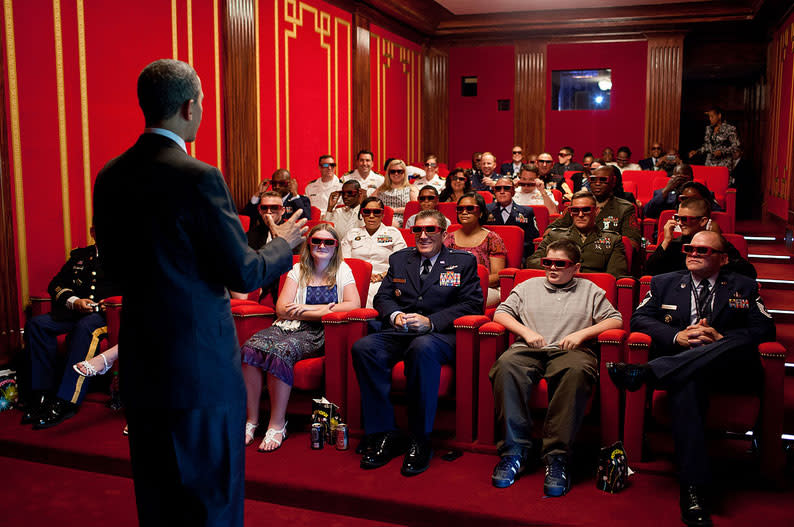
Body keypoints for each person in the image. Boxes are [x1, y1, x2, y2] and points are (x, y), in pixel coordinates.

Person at [92, 59, 306, 526]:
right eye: (204, 101)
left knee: (157, 491)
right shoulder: (198, 176)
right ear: (189, 107)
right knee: (212, 491)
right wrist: (281, 246)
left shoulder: (109, 176)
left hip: (142, 357)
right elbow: (244, 272)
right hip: (200, 362)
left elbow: (112, 266)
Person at [607, 230, 775, 527]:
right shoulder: (663, 283)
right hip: (686, 369)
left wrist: (720, 338)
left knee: (732, 344)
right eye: (689, 248)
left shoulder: (744, 286)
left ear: (723, 259)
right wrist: (677, 336)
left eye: (703, 250)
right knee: (686, 384)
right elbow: (639, 319)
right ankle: (693, 490)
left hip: (730, 370)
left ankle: (650, 372)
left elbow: (764, 329)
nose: (693, 253)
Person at [351, 209, 482, 477]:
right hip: (403, 330)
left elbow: (471, 304)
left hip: (440, 335)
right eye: (418, 230)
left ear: (444, 234)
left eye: (430, 230)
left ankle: (419, 438)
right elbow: (383, 298)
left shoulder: (462, 262)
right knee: (364, 348)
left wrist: (431, 322)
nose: (423, 236)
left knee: (421, 349)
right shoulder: (399, 259)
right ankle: (384, 432)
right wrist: (395, 315)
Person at [490, 239, 622, 495]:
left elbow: (615, 319)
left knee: (576, 372)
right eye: (547, 262)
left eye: (560, 264)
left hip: (570, 350)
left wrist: (583, 334)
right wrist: (525, 332)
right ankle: (514, 451)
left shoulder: (590, 289)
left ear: (576, 267)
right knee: (506, 365)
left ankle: (557, 457)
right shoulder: (527, 286)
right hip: (529, 347)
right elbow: (500, 313)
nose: (552, 268)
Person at [242, 224, 360, 451]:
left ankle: (277, 424)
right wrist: (326, 308)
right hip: (287, 325)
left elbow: (353, 304)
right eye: (316, 241)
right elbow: (282, 309)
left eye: (328, 242)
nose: (322, 246)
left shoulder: (342, 269)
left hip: (319, 332)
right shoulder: (297, 269)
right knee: (249, 348)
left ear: (336, 246)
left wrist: (307, 310)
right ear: (309, 244)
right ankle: (252, 420)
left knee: (281, 351)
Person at [21, 234, 120, 429]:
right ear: (93, 231)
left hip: (105, 316)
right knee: (37, 325)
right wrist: (74, 301)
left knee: (85, 328)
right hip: (74, 312)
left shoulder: (126, 256)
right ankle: (42, 395)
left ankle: (67, 400)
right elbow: (56, 284)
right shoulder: (80, 256)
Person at [645, 198, 755, 278]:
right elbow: (649, 272)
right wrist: (666, 241)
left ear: (703, 221)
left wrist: (714, 260)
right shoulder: (674, 244)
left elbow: (748, 272)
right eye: (678, 218)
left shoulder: (718, 244)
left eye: (685, 219)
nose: (679, 223)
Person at [528, 190, 628, 278]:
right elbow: (532, 262)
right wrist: (560, 265)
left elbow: (615, 276)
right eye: (575, 210)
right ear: (570, 212)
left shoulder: (613, 240)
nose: (580, 215)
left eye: (586, 210)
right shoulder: (555, 236)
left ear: (596, 212)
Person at [548, 165, 641, 251]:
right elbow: (550, 231)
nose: (597, 183)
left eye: (603, 180)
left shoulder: (625, 209)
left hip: (605, 257)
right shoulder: (577, 205)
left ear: (613, 182)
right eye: (593, 179)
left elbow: (633, 243)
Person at [342, 197, 407, 307]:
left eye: (376, 212)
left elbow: (401, 263)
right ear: (362, 214)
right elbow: (344, 262)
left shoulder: (393, 233)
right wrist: (362, 276)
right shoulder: (352, 234)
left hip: (385, 280)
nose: (371, 216)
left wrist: (381, 276)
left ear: (382, 215)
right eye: (367, 212)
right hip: (355, 279)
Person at [444, 192, 507, 307]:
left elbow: (498, 276)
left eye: (470, 208)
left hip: (485, 288)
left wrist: (467, 283)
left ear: (481, 212)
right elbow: (442, 270)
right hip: (452, 288)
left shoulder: (492, 239)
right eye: (460, 209)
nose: (464, 212)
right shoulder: (449, 238)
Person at [486, 176, 539, 260]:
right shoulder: (486, 210)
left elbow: (531, 240)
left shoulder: (526, 212)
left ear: (513, 192)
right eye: (498, 188)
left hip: (519, 256)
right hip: (491, 256)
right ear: (494, 191)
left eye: (506, 188)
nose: (502, 192)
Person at [242, 168, 311, 226]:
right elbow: (247, 217)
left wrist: (295, 195)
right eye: (274, 183)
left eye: (282, 183)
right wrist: (259, 193)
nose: (277, 187)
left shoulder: (301, 200)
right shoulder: (266, 200)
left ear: (290, 184)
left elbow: (306, 220)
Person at [373, 159, 418, 228]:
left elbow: (414, 209)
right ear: (388, 173)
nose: (396, 174)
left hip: (402, 221)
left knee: (389, 222)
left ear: (404, 173)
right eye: (393, 171)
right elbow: (370, 203)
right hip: (381, 218)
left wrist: (394, 210)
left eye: (399, 171)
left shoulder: (411, 189)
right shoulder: (381, 189)